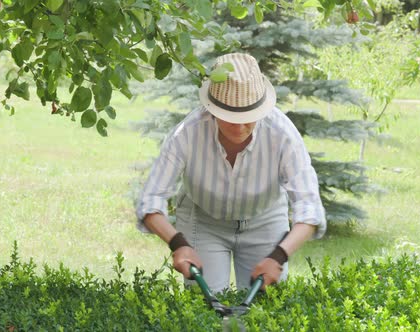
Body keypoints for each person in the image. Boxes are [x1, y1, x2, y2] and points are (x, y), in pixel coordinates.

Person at [135, 53, 326, 292]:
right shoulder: (187, 133)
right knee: (204, 306)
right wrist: (178, 244)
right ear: (212, 110)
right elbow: (150, 201)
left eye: (248, 117)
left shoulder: (283, 134)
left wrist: (278, 256)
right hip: (203, 220)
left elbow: (310, 207)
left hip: (264, 220)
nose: (239, 126)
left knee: (267, 308)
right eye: (229, 117)